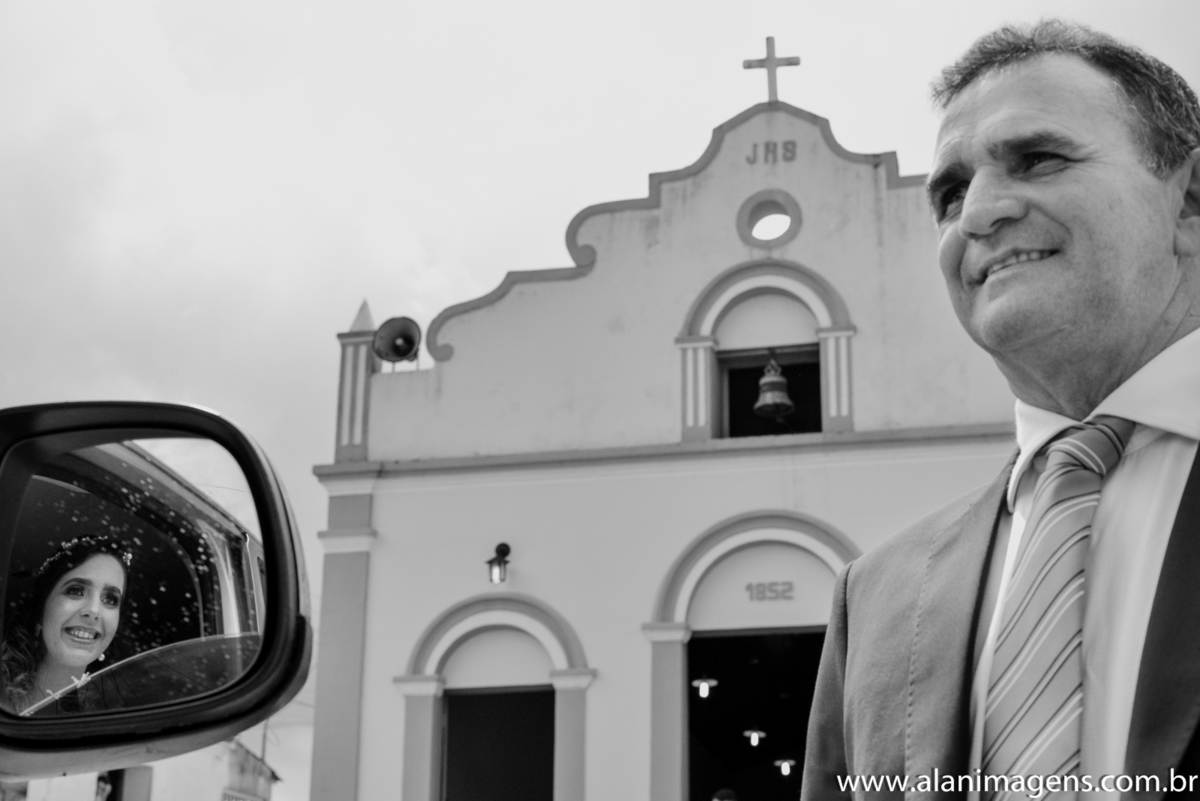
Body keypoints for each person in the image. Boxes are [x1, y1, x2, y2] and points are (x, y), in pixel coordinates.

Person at [801, 19, 1200, 800]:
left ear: (1188, 200)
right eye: (951, 194)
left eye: (1038, 158)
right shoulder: (874, 597)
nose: (977, 214)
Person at [1, 536, 132, 715]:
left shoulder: (112, 719)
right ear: (41, 606)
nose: (94, 611)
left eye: (110, 599)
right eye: (76, 591)